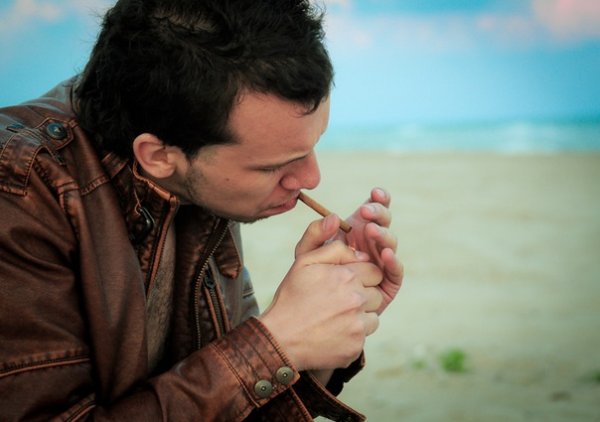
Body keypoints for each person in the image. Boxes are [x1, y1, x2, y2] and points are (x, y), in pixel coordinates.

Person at [0, 0, 403, 420]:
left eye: (312, 145)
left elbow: (236, 408)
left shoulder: (200, 172)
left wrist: (325, 330)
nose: (310, 178)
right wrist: (275, 343)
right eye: (272, 166)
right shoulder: (20, 187)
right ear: (159, 156)